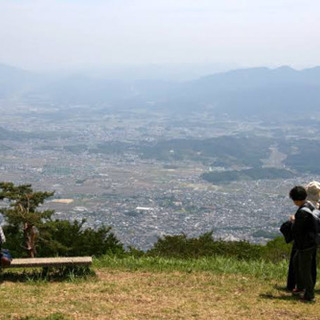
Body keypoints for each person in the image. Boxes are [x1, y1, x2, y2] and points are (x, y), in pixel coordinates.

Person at [285, 181, 320, 291]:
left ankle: (309, 293)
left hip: (305, 243)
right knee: (299, 263)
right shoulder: (312, 207)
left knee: (304, 268)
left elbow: (298, 229)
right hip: (311, 241)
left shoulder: (303, 211)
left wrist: (292, 221)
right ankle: (300, 287)